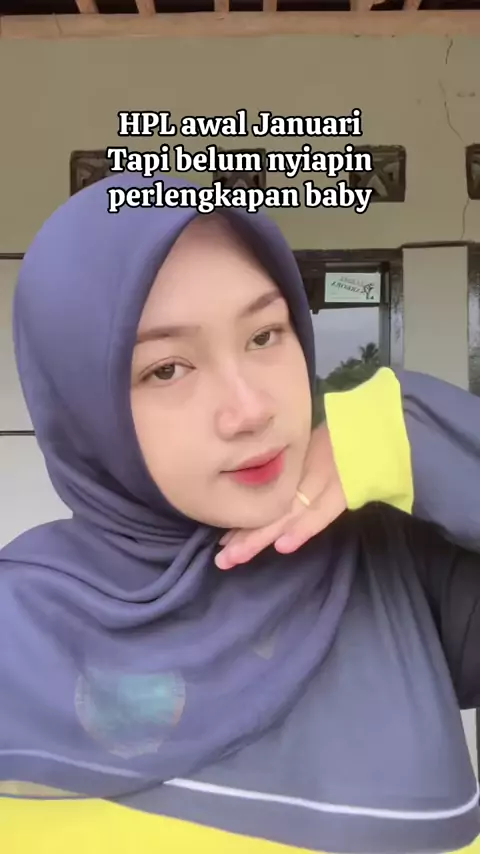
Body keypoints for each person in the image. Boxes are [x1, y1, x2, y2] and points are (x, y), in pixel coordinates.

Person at [1, 172, 480, 854]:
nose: (251, 409)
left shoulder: (390, 564)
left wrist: (422, 438)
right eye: (167, 369)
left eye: (264, 336)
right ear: (81, 405)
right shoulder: (16, 633)